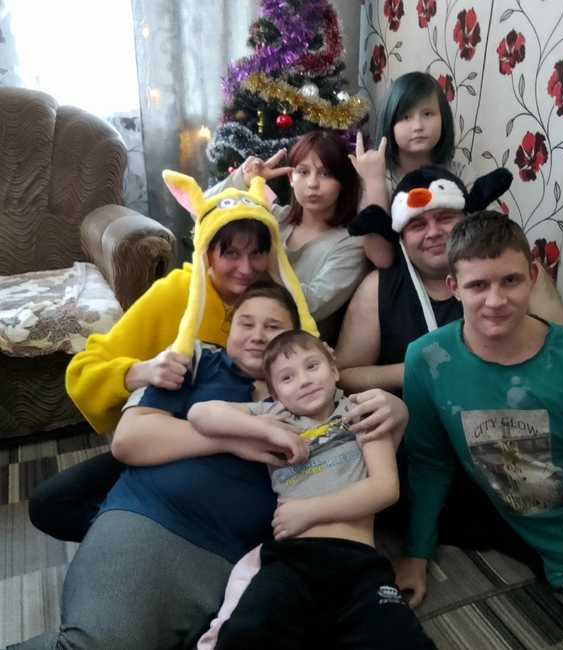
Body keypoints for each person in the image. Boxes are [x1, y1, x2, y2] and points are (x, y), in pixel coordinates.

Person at [13, 283, 407, 650]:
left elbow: (374, 455)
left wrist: (397, 408)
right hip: (153, 515)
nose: (257, 335)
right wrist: (244, 438)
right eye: (245, 323)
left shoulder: (311, 399)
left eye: (273, 327)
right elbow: (130, 441)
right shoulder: (199, 360)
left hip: (234, 556)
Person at [395, 211, 563, 649]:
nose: (495, 300)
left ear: (532, 277)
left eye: (510, 280)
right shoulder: (426, 360)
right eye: (478, 285)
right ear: (454, 287)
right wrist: (416, 553)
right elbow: (429, 463)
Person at [29, 175, 317, 543]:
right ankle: (136, 535)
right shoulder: (174, 294)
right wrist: (141, 371)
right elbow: (85, 368)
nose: (246, 268)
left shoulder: (279, 303)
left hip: (245, 461)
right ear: (207, 251)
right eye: (231, 253)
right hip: (169, 438)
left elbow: (312, 373)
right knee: (51, 503)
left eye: (256, 253)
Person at [335, 165, 563, 564]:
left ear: (467, 218)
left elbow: (562, 358)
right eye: (417, 224)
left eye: (444, 217)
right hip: (419, 440)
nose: (432, 232)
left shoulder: (516, 277)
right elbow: (343, 375)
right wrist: (424, 372)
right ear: (400, 235)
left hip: (505, 434)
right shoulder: (378, 287)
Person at [187, 330, 436, 650]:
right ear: (274, 394)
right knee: (248, 632)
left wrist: (309, 511)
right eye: (287, 377)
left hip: (356, 564)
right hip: (292, 561)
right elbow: (200, 414)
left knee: (399, 640)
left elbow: (385, 488)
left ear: (333, 370)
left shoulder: (360, 411)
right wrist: (264, 430)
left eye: (312, 366)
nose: (304, 381)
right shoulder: (273, 415)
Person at [208, 129, 369, 343]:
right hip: (234, 335)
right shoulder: (273, 216)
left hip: (293, 350)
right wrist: (243, 180)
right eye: (303, 172)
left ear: (343, 183)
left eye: (326, 174)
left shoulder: (350, 243)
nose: (313, 183)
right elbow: (203, 213)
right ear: (291, 178)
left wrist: (267, 257)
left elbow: (311, 305)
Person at [349, 71, 473, 269]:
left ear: (443, 118)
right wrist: (374, 182)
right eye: (405, 117)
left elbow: (488, 239)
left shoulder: (461, 175)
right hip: (397, 275)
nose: (418, 126)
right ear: (390, 123)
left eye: (427, 114)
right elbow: (382, 258)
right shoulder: (378, 178)